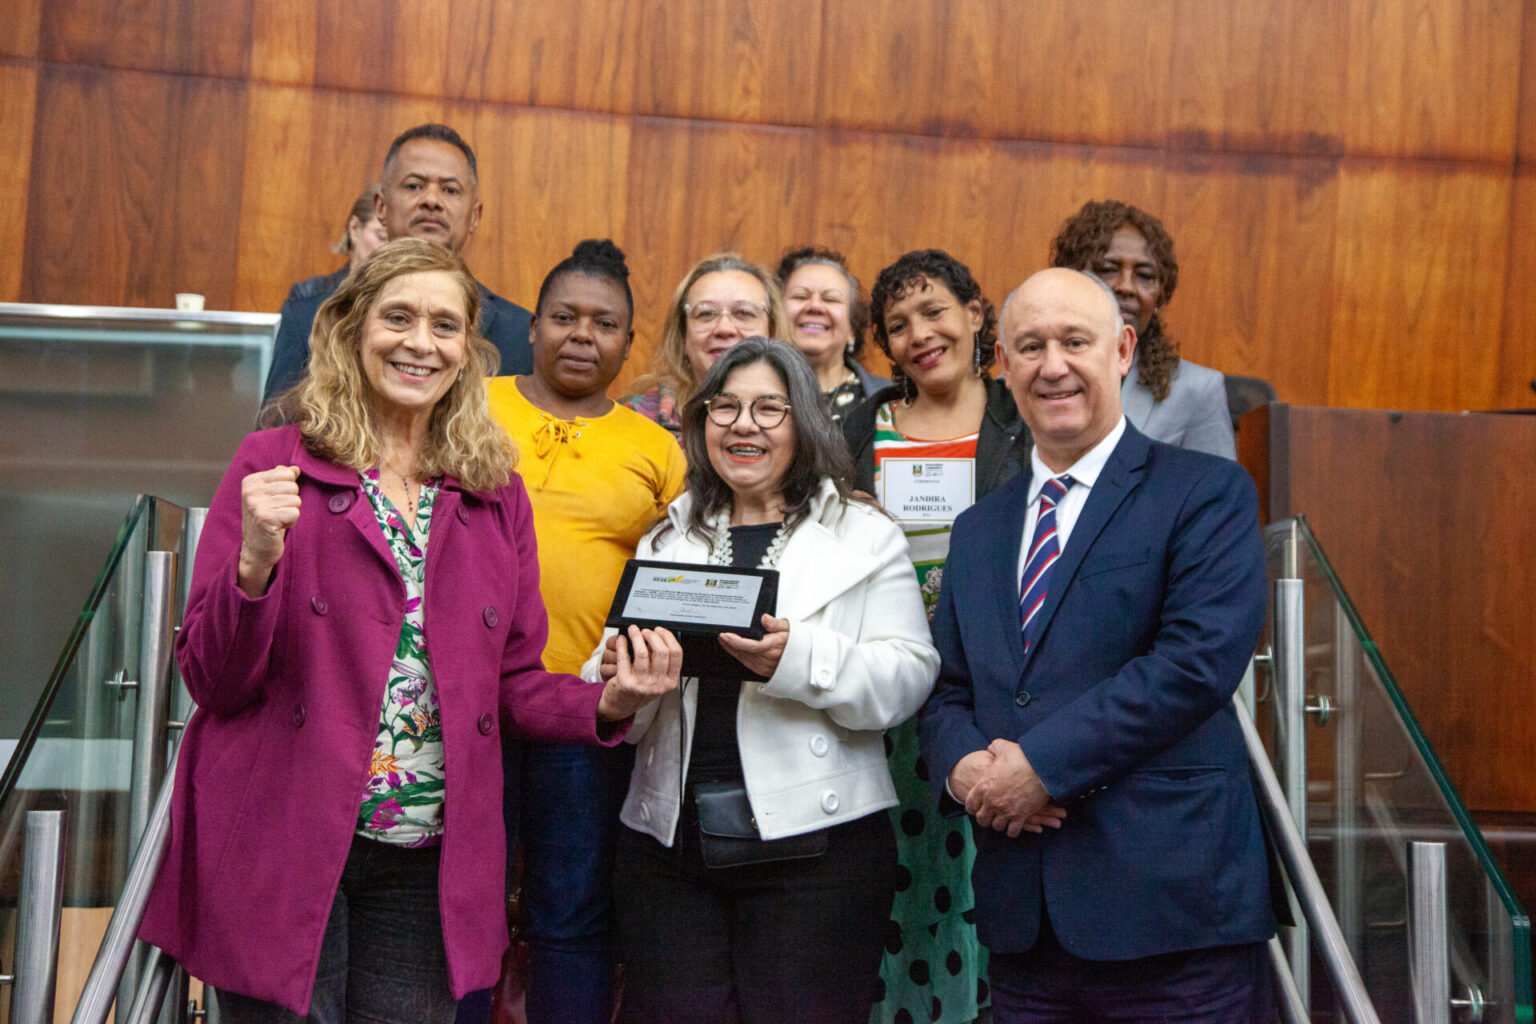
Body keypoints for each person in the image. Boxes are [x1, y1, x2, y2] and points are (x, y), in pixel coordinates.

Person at [139, 239, 681, 1021]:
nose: (420, 342)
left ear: (468, 352)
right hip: (288, 844)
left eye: (444, 325)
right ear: (354, 330)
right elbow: (211, 678)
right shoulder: (275, 462)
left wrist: (607, 701)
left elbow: (516, 685)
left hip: (428, 859)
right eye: (398, 318)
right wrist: (255, 563)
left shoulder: (494, 493)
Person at [919, 268, 1273, 1022]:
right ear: (1004, 367)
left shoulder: (1205, 491)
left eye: (1075, 341)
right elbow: (948, 688)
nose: (1053, 365)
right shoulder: (978, 531)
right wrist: (966, 771)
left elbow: (1195, 664)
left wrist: (1042, 767)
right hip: (1026, 925)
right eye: (1030, 346)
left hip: (1173, 924)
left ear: (1121, 350)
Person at [590, 338, 940, 1024]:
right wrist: (618, 693)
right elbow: (605, 664)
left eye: (768, 409)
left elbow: (908, 677)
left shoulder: (863, 534)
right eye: (725, 407)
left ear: (804, 424)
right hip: (670, 850)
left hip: (818, 856)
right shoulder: (668, 535)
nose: (743, 425)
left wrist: (798, 658)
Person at [484, 240, 686, 1023]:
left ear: (626, 343)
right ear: (531, 327)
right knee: (461, 911)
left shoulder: (655, 448)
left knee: (570, 914)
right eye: (563, 317)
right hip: (463, 709)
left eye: (604, 324)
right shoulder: (473, 406)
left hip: (587, 713)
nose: (581, 335)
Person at [840, 248, 1028, 1024]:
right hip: (883, 689)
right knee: (891, 877)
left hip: (993, 690)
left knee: (988, 878)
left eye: (934, 312)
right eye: (898, 325)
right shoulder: (855, 427)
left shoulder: (1024, 420)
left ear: (976, 315)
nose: (919, 334)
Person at [262, 123, 534, 404]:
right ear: (380, 207)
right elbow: (275, 438)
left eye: (450, 190)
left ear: (475, 215)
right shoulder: (306, 320)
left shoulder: (518, 332)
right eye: (414, 186)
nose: (431, 200)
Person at [1049, 199, 1236, 459]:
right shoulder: (1023, 383)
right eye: (1108, 270)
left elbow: (1217, 497)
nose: (1126, 287)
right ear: (1071, 280)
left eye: (1145, 276)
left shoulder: (1197, 391)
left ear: (1160, 296)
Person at [619, 254, 787, 436]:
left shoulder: (802, 423)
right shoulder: (631, 422)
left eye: (744, 313)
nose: (724, 328)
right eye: (706, 314)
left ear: (772, 329)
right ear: (682, 335)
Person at [775, 246, 888, 425]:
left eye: (831, 299)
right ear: (776, 316)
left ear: (852, 329)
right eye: (800, 296)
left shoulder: (890, 398)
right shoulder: (750, 393)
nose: (815, 306)